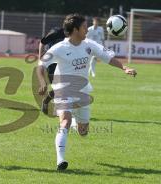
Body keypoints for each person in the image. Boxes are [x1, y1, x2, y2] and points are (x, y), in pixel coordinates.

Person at [37, 14, 137, 171]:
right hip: (63, 88)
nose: (87, 30)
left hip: (83, 91)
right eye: (84, 27)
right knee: (65, 122)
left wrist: (124, 68)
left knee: (83, 132)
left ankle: (77, 123)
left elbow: (107, 57)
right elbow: (41, 65)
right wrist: (43, 82)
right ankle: (60, 160)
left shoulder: (89, 44)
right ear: (75, 30)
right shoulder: (59, 48)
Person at [38, 27, 66, 114]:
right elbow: (42, 42)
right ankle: (58, 110)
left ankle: (47, 101)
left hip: (63, 63)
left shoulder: (73, 35)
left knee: (63, 87)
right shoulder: (56, 32)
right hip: (51, 64)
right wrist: (40, 56)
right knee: (58, 87)